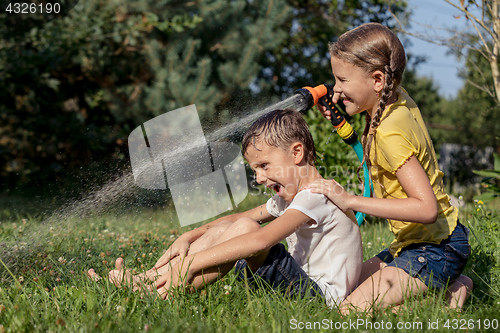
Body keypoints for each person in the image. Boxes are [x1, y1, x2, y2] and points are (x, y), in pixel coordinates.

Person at [88, 109, 363, 308]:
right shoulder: (292, 195)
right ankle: (148, 280)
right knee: (227, 226)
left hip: (317, 298)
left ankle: (157, 289)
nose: (259, 178)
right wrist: (190, 235)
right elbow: (236, 218)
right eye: (255, 169)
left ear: (296, 152)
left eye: (264, 166)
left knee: (245, 231)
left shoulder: (316, 195)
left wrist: (189, 264)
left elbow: (261, 239)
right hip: (293, 280)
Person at [305, 22, 472, 314]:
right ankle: (443, 286)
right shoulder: (396, 98)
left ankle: (449, 294)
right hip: (413, 244)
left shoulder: (389, 133)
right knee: (341, 288)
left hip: (436, 249)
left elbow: (426, 208)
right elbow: (371, 99)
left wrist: (349, 200)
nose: (336, 90)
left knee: (349, 312)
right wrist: (343, 107)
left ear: (379, 79)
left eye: (342, 80)